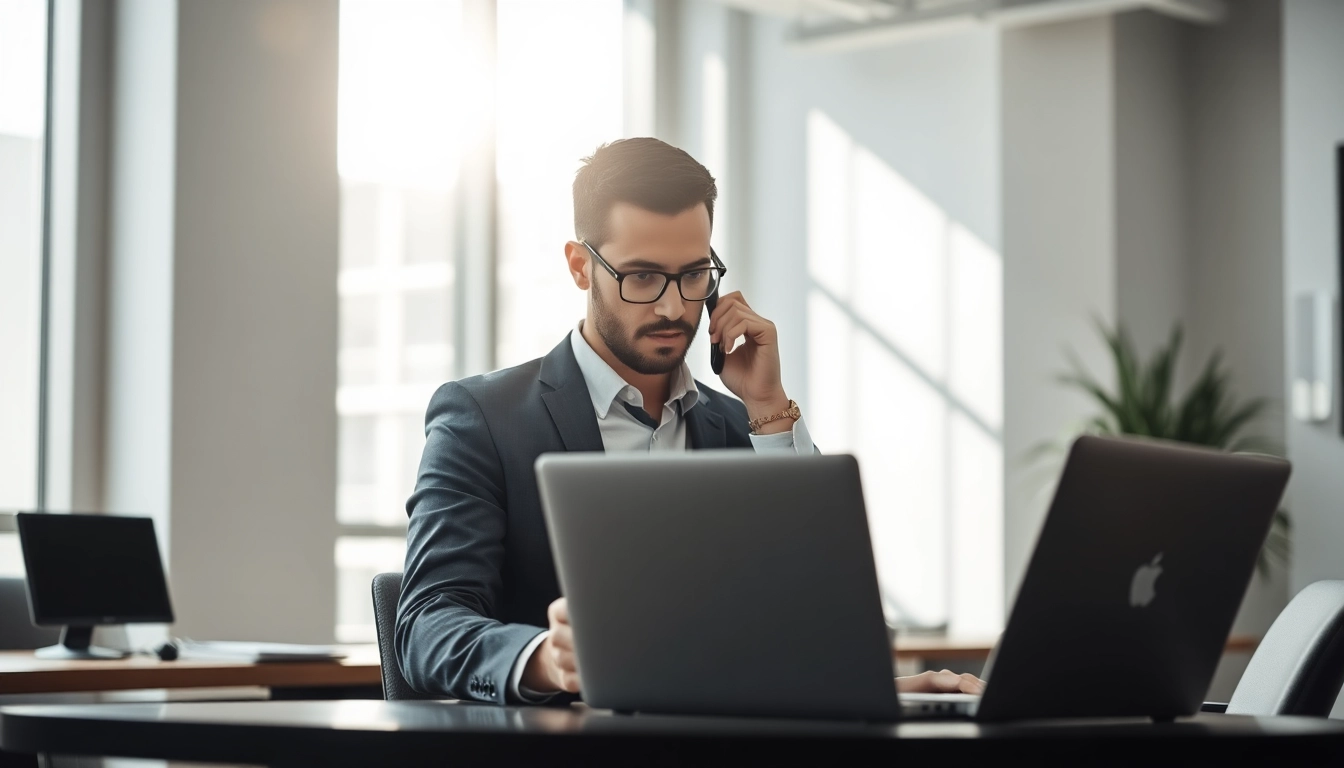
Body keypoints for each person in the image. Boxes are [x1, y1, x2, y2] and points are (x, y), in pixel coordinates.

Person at [397, 137, 983, 704]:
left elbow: (824, 625)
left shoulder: (739, 427)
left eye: (694, 274)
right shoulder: (484, 419)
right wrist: (546, 659)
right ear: (581, 267)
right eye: (643, 277)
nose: (675, 306)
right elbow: (427, 626)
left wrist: (768, 408)